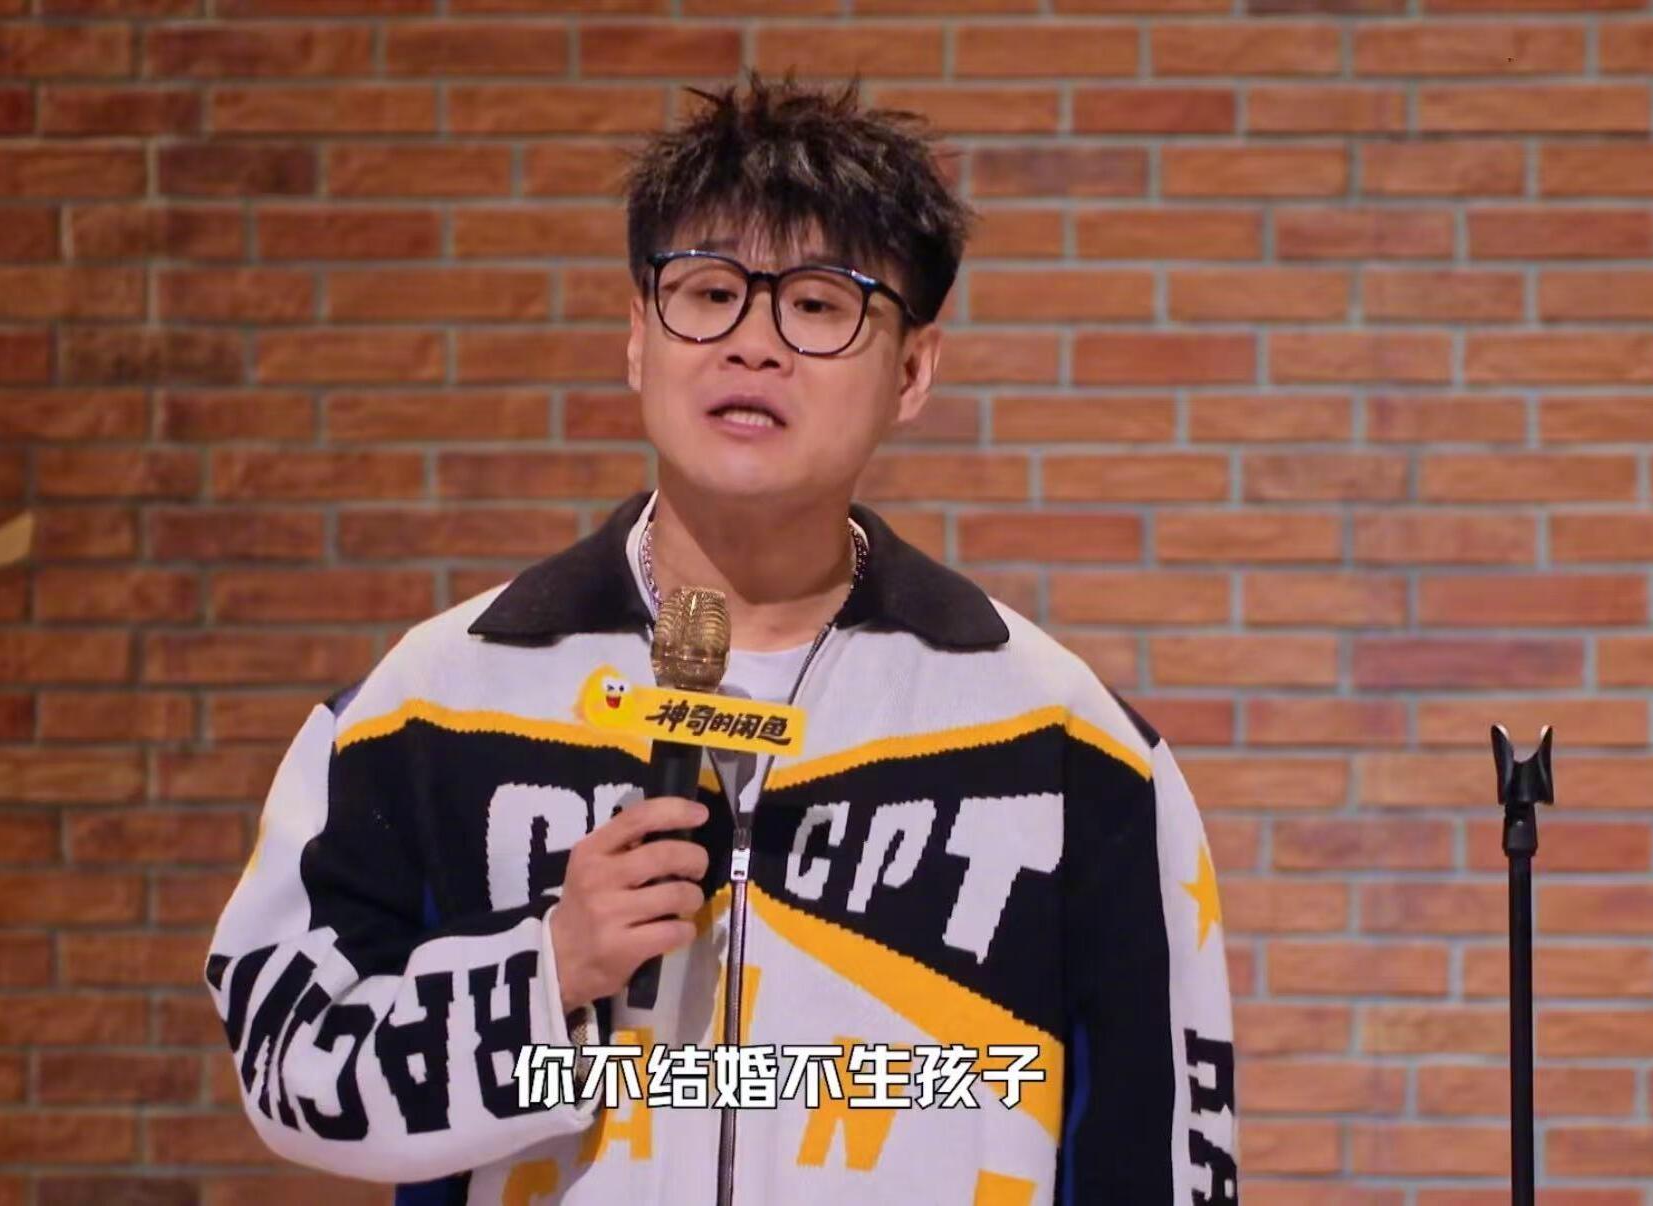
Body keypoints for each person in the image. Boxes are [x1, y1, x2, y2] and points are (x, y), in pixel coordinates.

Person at [207, 73, 1238, 1205]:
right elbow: (290, 1065)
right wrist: (545, 973)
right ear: (637, 338)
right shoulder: (435, 703)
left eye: (819, 305)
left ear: (911, 370)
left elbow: (1160, 1146)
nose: (753, 344)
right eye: (707, 292)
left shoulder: (1062, 741)